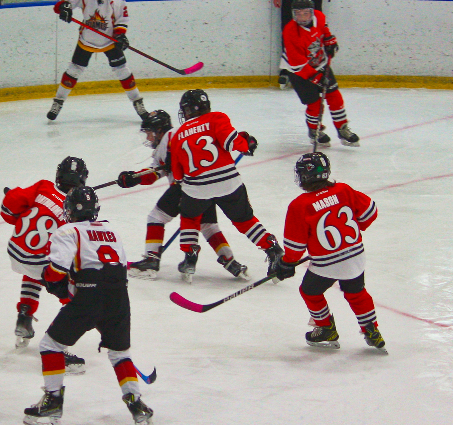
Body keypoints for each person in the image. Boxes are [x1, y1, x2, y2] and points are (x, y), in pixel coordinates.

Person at [22, 186, 154, 425]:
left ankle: (53, 402)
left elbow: (57, 270)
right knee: (120, 354)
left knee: (51, 345)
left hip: (89, 296)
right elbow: (117, 266)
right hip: (119, 297)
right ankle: (137, 405)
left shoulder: (67, 231)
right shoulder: (112, 230)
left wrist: (49, 279)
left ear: (70, 210)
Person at [118, 109, 250, 281]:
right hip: (204, 188)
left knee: (156, 217)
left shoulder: (173, 135)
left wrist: (172, 160)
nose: (148, 137)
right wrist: (134, 178)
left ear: (159, 130)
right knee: (208, 225)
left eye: (150, 133)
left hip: (187, 187)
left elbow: (178, 159)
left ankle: (151, 260)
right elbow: (155, 173)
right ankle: (230, 261)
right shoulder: (167, 142)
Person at [272, 152, 385, 352]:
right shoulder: (344, 190)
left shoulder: (300, 205)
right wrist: (356, 228)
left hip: (327, 264)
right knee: (356, 292)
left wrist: (286, 263)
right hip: (356, 257)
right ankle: (372, 330)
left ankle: (326, 328)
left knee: (309, 291)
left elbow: (295, 247)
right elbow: (370, 211)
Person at [169, 90, 284, 282]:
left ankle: (190, 256)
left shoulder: (178, 134)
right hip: (228, 183)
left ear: (188, 110)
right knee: (244, 220)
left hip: (197, 188)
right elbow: (232, 142)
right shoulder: (216, 118)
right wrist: (246, 144)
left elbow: (178, 175)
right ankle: (272, 249)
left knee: (190, 217)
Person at [1, 157, 88, 373]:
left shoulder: (43, 187)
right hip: (37, 261)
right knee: (75, 299)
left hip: (15, 250)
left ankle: (24, 314)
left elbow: (9, 209)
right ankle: (57, 345)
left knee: (34, 269)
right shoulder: (72, 210)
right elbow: (73, 249)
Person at [47, 0, 148, 121]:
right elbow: (61, 3)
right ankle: (58, 101)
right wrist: (63, 8)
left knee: (123, 71)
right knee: (73, 71)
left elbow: (122, 18)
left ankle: (138, 103)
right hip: (86, 40)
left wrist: (120, 35)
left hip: (110, 41)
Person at [280, 0, 359, 147]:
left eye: (306, 13)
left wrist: (330, 41)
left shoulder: (319, 17)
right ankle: (314, 130)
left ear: (312, 11)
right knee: (315, 104)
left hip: (320, 63)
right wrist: (316, 78)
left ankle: (342, 128)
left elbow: (325, 32)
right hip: (298, 72)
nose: (302, 17)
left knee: (335, 96)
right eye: (298, 14)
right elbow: (297, 63)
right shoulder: (290, 31)